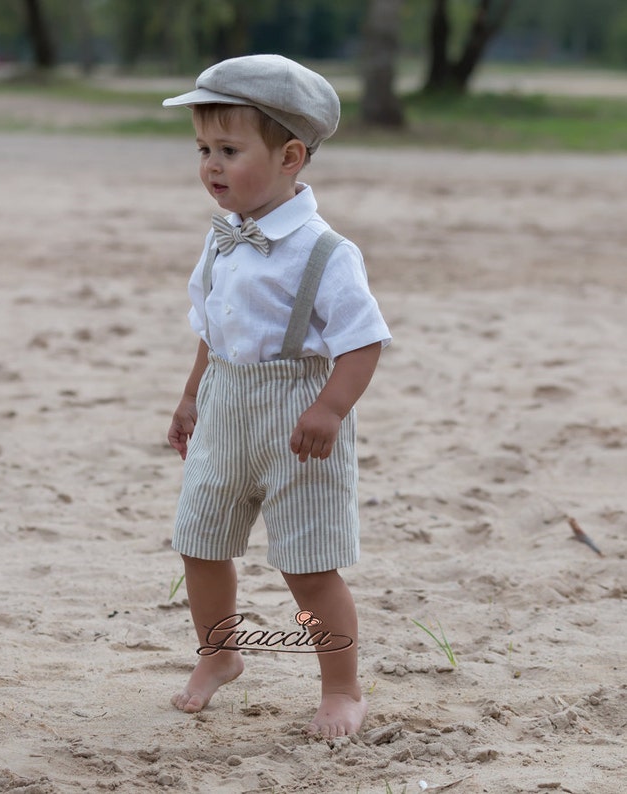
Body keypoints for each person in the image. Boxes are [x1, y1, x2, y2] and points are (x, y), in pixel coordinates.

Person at [163, 54, 391, 739]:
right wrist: (190, 397)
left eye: (229, 150)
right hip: (227, 408)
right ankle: (219, 652)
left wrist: (330, 408)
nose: (211, 165)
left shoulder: (324, 252)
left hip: (299, 421)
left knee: (308, 565)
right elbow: (212, 328)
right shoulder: (224, 239)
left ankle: (342, 687)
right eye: (204, 149)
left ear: (291, 155)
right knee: (200, 541)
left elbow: (363, 339)